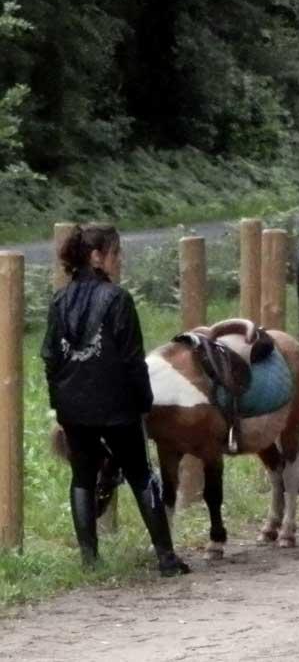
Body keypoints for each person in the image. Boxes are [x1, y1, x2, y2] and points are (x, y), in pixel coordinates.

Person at [41, 224, 190, 577]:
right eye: (115, 252)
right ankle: (166, 558)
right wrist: (143, 402)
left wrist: (59, 404)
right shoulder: (118, 299)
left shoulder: (59, 300)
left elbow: (50, 357)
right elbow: (132, 360)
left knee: (82, 477)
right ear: (97, 257)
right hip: (117, 406)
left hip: (73, 407)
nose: (119, 259)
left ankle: (90, 561)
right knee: (141, 475)